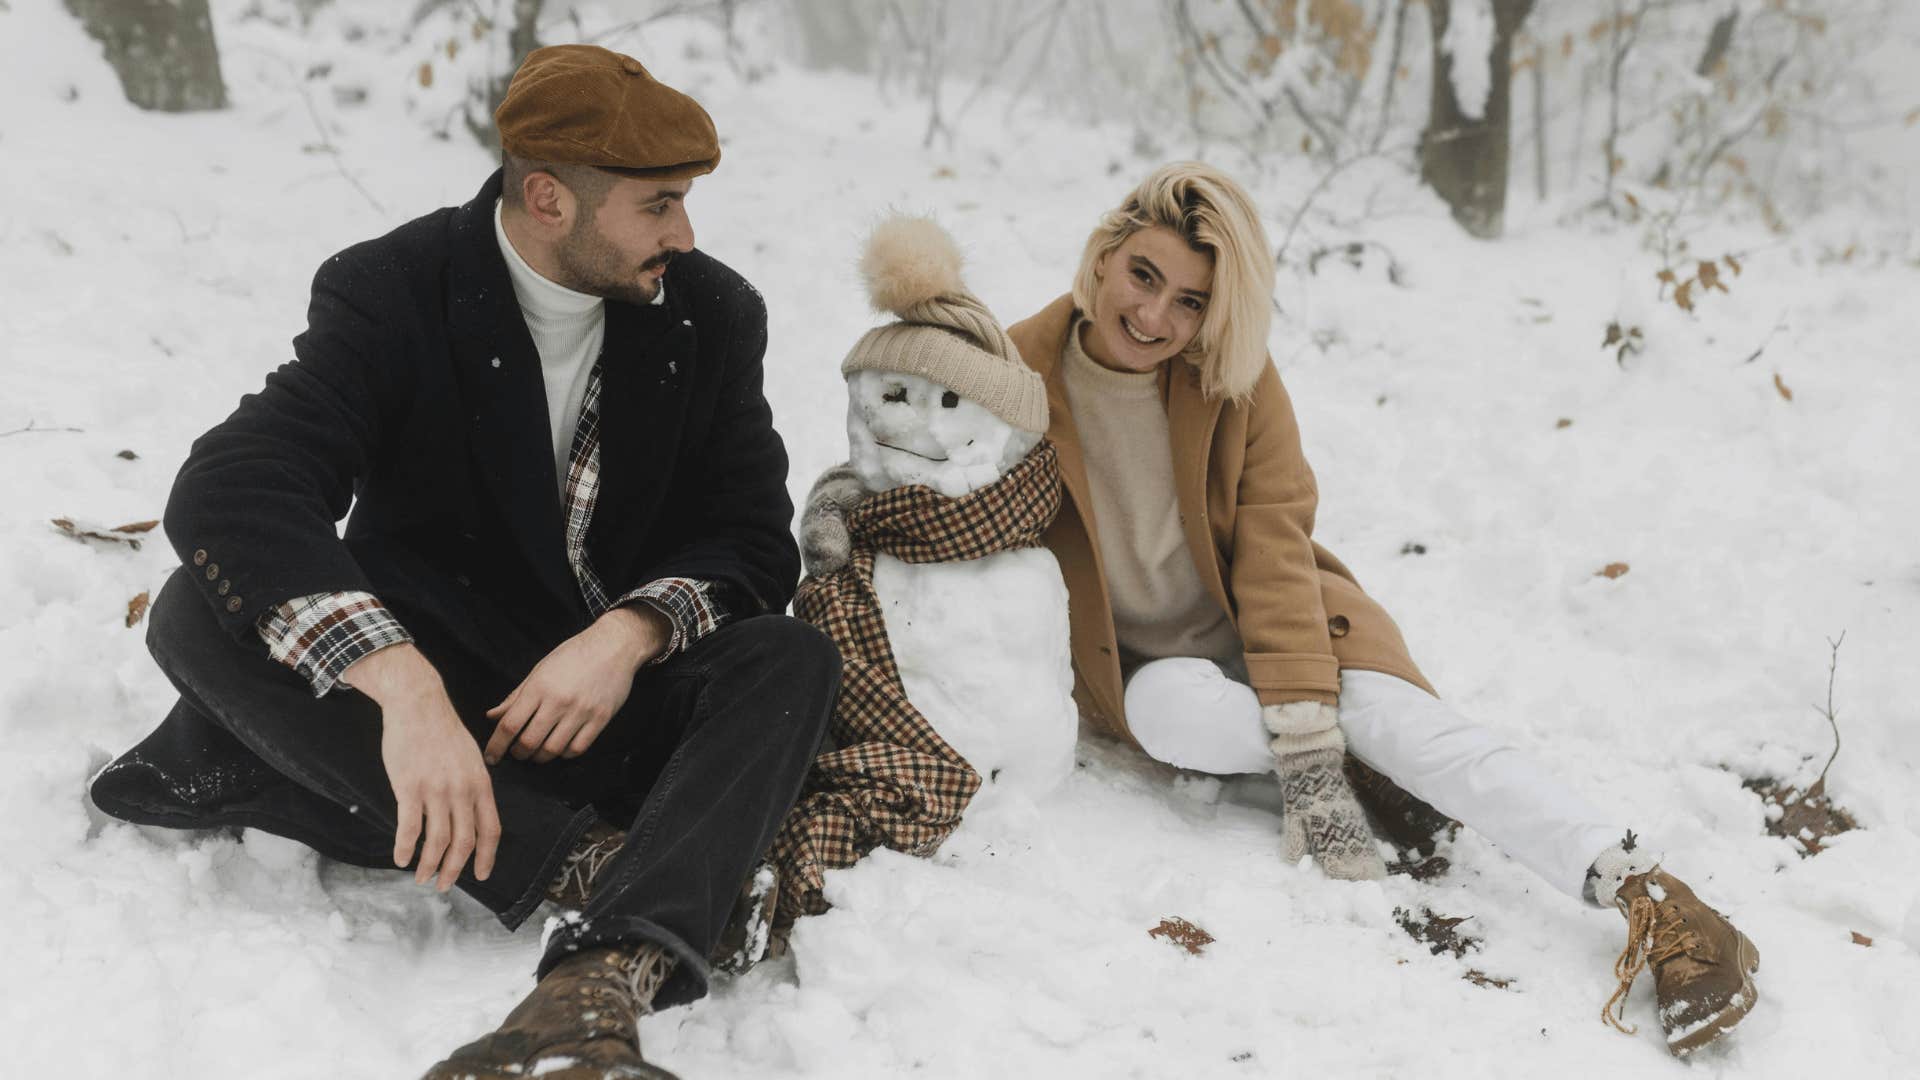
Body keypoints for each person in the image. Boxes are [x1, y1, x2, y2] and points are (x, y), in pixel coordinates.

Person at [805, 162, 1759, 1058]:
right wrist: (843, 513)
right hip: (1147, 669)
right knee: (1172, 717)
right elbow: (914, 455)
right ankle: (1368, 766)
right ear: (1103, 257)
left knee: (1405, 724)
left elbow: (1274, 548)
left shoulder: (1234, 382)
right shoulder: (1009, 377)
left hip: (1288, 622)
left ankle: (1649, 891)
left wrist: (1308, 735)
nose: (1154, 315)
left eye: (1190, 301)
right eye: (1143, 276)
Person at [88, 44, 839, 1080]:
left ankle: (594, 988)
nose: (685, 234)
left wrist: (628, 635)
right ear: (548, 198)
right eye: (658, 206)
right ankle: (587, 864)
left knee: (788, 659)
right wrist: (403, 689)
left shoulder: (711, 315)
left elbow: (754, 534)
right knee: (191, 607)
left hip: (609, 708)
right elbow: (235, 484)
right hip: (434, 691)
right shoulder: (394, 289)